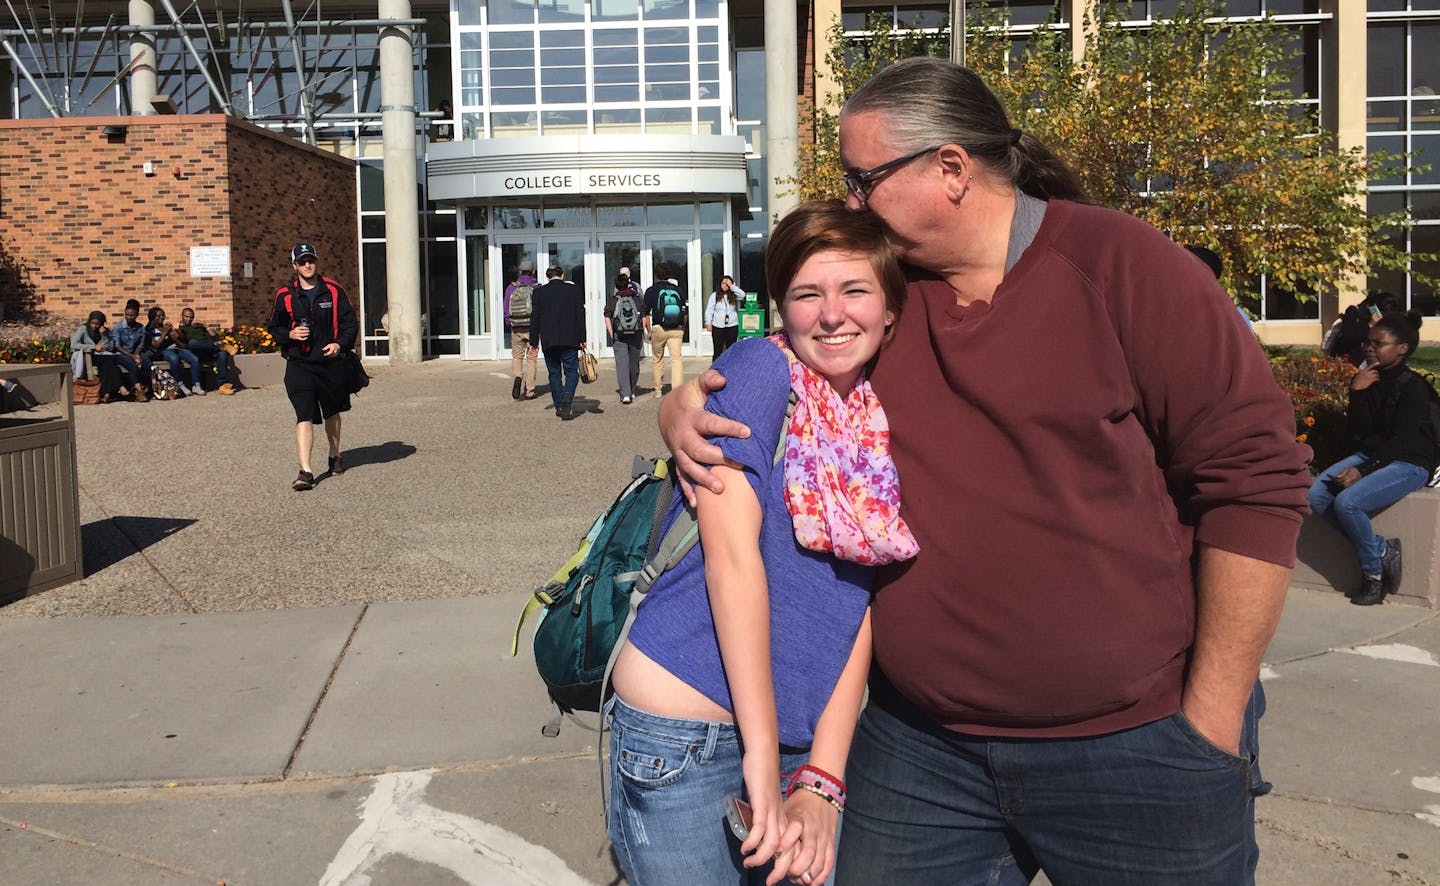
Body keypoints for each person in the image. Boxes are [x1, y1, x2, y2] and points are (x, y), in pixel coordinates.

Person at [661, 57, 1312, 884]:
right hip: (921, 753)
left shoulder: (1125, 268)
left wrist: (1209, 726)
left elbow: (1255, 483)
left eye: (865, 180)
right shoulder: (885, 297)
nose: (852, 202)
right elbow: (779, 361)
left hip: (1138, 752)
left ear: (952, 170)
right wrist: (683, 401)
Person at [610, 200, 917, 886]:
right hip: (690, 731)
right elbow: (732, 561)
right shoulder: (759, 371)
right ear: (782, 305)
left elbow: (855, 608)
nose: (832, 314)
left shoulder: (873, 419)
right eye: (808, 294)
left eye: (855, 290)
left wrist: (824, 781)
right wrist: (759, 758)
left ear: (891, 307)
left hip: (795, 738)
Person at [1308, 311, 1433, 606]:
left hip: (1409, 462)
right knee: (1316, 494)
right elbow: (1360, 435)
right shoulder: (1367, 379)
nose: (1370, 347)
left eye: (1379, 343)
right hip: (1374, 455)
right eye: (1368, 342)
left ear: (1402, 349)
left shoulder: (1414, 387)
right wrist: (1357, 393)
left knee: (1348, 503)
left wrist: (1362, 471)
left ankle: (1373, 576)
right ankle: (1380, 549)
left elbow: (1402, 440)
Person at [267, 243, 359, 491]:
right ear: (294, 265)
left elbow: (351, 324)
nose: (307, 265)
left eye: (311, 260)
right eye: (302, 261)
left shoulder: (334, 291)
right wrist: (291, 334)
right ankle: (305, 471)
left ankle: (334, 453)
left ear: (316, 262)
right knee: (303, 415)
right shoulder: (284, 295)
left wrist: (340, 345)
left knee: (332, 412)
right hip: (299, 365)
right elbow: (274, 328)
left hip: (330, 363)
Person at [529, 264, 586, 421]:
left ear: (548, 277)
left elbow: (535, 318)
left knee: (554, 374)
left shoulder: (539, 292)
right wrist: (582, 338)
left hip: (549, 339)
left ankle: (560, 406)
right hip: (570, 338)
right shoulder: (573, 290)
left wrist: (533, 341)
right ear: (562, 275)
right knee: (571, 372)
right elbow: (579, 314)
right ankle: (568, 393)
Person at [69, 311, 135, 403]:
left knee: (108, 366)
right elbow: (74, 345)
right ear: (89, 322)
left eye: (97, 324)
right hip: (89, 357)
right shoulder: (83, 329)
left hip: (104, 356)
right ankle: (120, 387)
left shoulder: (105, 331)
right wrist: (92, 347)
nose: (95, 326)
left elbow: (111, 347)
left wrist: (103, 336)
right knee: (109, 362)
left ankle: (106, 394)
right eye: (92, 323)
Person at [644, 261, 688, 398]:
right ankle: (677, 391)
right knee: (676, 359)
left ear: (656, 275)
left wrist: (649, 331)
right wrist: (683, 327)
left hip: (659, 328)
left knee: (657, 359)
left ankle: (658, 390)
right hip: (676, 329)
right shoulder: (678, 290)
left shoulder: (651, 290)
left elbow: (646, 313)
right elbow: (685, 311)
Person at [174, 307, 238, 394]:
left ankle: (223, 385)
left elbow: (215, 337)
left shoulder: (198, 326)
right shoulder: (181, 328)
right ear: (181, 316)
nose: (189, 319)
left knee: (222, 354)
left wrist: (206, 326)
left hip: (209, 349)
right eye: (187, 317)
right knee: (192, 343)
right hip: (197, 353)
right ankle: (222, 346)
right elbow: (183, 340)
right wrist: (177, 329)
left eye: (191, 317)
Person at [144, 307, 205, 397]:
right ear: (152, 317)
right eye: (158, 316)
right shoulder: (149, 330)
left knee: (194, 358)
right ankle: (180, 385)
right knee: (174, 358)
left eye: (163, 315)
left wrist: (177, 331)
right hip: (163, 351)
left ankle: (196, 385)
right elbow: (156, 345)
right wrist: (165, 333)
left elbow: (181, 340)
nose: (162, 317)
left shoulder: (165, 326)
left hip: (176, 348)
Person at [605, 271, 645, 404]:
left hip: (619, 334)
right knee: (634, 363)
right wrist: (641, 330)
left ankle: (625, 394)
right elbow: (644, 316)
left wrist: (612, 334)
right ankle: (632, 390)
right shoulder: (637, 298)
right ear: (628, 284)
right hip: (635, 334)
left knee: (622, 364)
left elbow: (607, 317)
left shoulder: (613, 300)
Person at [504, 259, 540, 401]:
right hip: (533, 329)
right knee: (532, 359)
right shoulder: (537, 288)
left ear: (519, 271)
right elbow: (540, 309)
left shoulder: (511, 288)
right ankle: (530, 390)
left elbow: (506, 309)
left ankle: (518, 376)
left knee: (517, 356)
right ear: (533, 271)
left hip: (516, 328)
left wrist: (510, 323)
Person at [109, 298, 150, 401]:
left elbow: (140, 344)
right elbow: (117, 346)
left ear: (136, 315)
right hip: (120, 354)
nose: (129, 317)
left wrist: (136, 355)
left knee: (147, 362)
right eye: (127, 315)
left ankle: (150, 388)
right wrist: (132, 357)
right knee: (132, 365)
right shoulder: (118, 327)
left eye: (132, 315)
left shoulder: (140, 328)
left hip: (134, 352)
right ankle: (138, 391)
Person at [705, 275, 744, 360]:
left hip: (732, 325)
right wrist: (708, 322)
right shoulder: (714, 295)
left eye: (727, 284)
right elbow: (709, 310)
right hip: (718, 326)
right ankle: (715, 369)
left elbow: (742, 295)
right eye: (723, 283)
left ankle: (730, 368)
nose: (725, 286)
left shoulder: (734, 295)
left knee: (731, 349)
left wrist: (732, 286)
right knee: (717, 350)